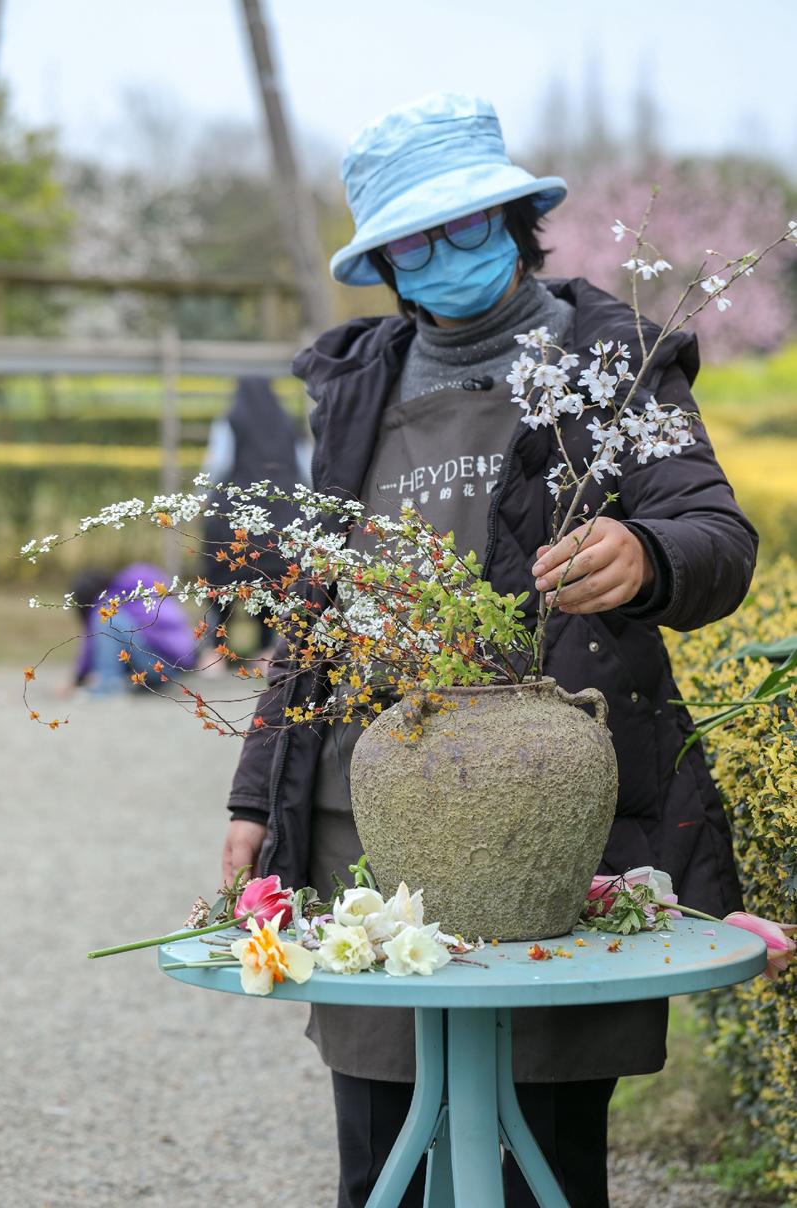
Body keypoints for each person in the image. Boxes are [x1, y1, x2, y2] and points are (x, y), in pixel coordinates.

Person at [220, 93, 757, 1207]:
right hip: (365, 822)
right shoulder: (358, 382)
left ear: (518, 223)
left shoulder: (610, 358)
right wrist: (249, 796)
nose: (446, 255)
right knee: (385, 1151)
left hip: (551, 821)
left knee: (540, 1150)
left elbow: (717, 536)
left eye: (470, 224)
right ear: (384, 262)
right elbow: (321, 615)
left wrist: (646, 551)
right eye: (414, 238)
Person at [199, 375, 309, 660]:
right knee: (273, 583)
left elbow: (218, 465)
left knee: (221, 583)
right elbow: (306, 470)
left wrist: (204, 498)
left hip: (234, 524)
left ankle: (215, 653)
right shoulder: (287, 423)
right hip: (282, 521)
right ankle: (268, 647)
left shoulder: (231, 421)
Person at [72, 562, 196, 694]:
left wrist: (77, 679)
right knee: (124, 631)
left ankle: (106, 685)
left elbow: (91, 642)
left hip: (159, 665)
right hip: (179, 666)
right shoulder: (134, 584)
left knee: (107, 619)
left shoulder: (108, 601)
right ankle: (120, 681)